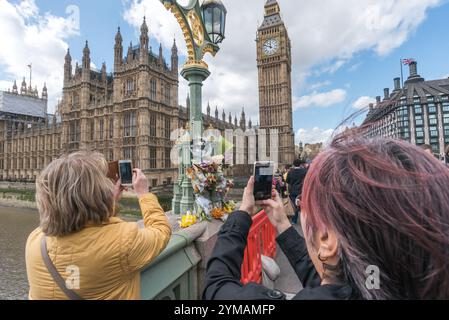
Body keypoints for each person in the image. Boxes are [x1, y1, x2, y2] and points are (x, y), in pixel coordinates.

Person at [203, 135, 449, 300]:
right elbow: (331, 283)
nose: (302, 206)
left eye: (308, 204)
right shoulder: (374, 280)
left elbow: (216, 287)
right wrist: (281, 224)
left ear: (325, 238)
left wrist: (241, 214)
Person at [26, 152, 172, 300]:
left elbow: (83, 220)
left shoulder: (34, 241)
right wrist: (143, 194)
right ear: (99, 191)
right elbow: (161, 231)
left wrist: (110, 201)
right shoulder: (123, 242)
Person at [286, 159, 308, 224]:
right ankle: (304, 221)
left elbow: (287, 182)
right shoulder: (304, 171)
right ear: (300, 164)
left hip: (292, 191)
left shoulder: (290, 172)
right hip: (301, 191)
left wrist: (287, 191)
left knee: (293, 206)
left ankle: (294, 220)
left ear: (293, 164)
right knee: (302, 206)